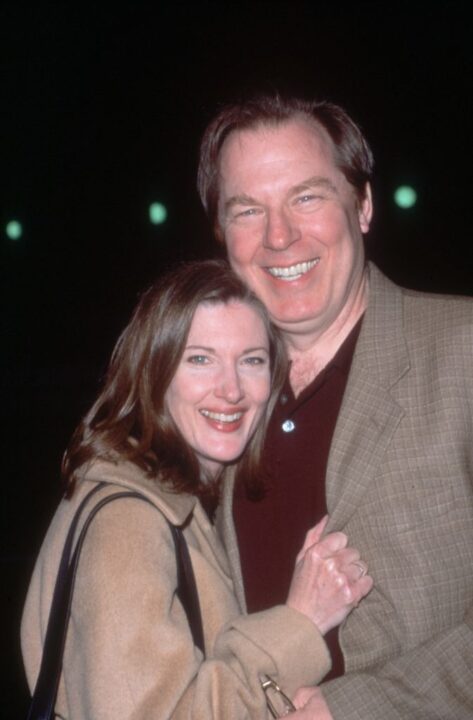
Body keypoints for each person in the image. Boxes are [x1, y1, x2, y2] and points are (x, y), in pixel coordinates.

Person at [197, 95, 473, 718]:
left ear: (364, 206)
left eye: (307, 197)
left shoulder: (462, 351)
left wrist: (363, 708)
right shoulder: (213, 403)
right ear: (223, 238)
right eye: (248, 210)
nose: (279, 236)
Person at [21, 259, 372, 719]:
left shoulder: (155, 494)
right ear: (155, 370)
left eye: (251, 360)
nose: (230, 389)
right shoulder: (128, 523)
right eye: (200, 359)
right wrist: (301, 622)